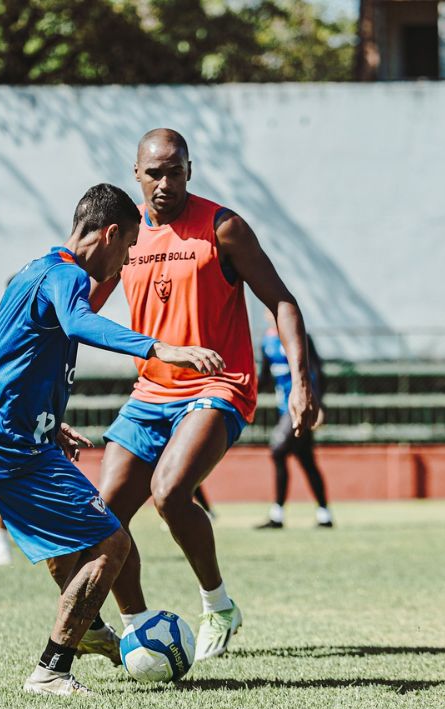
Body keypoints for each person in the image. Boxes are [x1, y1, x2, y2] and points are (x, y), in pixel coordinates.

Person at [0, 183, 224, 695]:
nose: (125, 265)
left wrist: (47, 420)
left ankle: (93, 632)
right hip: (9, 436)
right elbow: (78, 322)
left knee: (71, 541)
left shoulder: (32, 273)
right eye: (126, 252)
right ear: (110, 233)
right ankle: (51, 669)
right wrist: (161, 348)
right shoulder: (67, 276)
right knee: (111, 540)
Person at [88, 129, 322, 662]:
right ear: (136, 175)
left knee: (170, 492)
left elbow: (282, 301)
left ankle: (217, 605)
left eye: (175, 171)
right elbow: (83, 310)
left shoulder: (224, 228)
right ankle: (139, 627)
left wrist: (301, 382)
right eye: (155, 173)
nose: (165, 183)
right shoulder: (124, 238)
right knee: (104, 516)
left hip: (219, 385)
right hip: (149, 391)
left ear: (190, 170)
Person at [255, 311, 333, 529]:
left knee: (278, 449)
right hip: (284, 409)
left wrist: (318, 404)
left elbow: (317, 371)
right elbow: (265, 377)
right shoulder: (268, 341)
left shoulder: (301, 337)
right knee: (306, 460)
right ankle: (324, 514)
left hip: (300, 408)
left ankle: (277, 514)